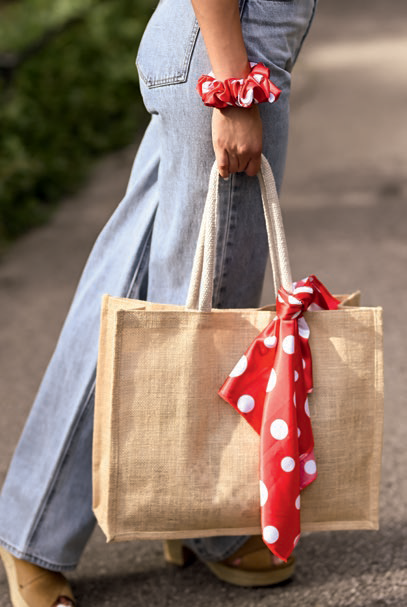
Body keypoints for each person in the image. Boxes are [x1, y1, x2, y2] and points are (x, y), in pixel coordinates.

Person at [0, 0, 318, 604]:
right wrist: (233, 90)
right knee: (206, 315)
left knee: (139, 285)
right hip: (229, 54)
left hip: (218, 51)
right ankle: (190, 518)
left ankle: (53, 523)